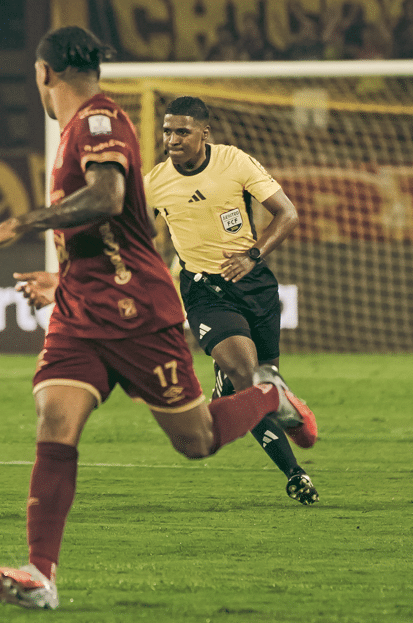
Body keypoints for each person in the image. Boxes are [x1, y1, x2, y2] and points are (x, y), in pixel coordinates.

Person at [0, 26, 317, 610]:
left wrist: (19, 224)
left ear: (45, 73)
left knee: (197, 440)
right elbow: (110, 231)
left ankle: (266, 398)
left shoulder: (99, 121)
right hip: (82, 310)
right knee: (55, 418)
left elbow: (105, 199)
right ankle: (41, 574)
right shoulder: (75, 131)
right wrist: (61, 278)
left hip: (135, 312)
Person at [144, 96, 319, 506]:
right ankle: (295, 473)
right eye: (167, 131)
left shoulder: (234, 162)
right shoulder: (154, 182)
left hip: (254, 285)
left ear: (204, 133)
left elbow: (287, 214)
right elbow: (136, 234)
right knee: (251, 378)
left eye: (182, 131)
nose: (172, 139)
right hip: (204, 290)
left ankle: (229, 381)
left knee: (257, 379)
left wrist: (252, 255)